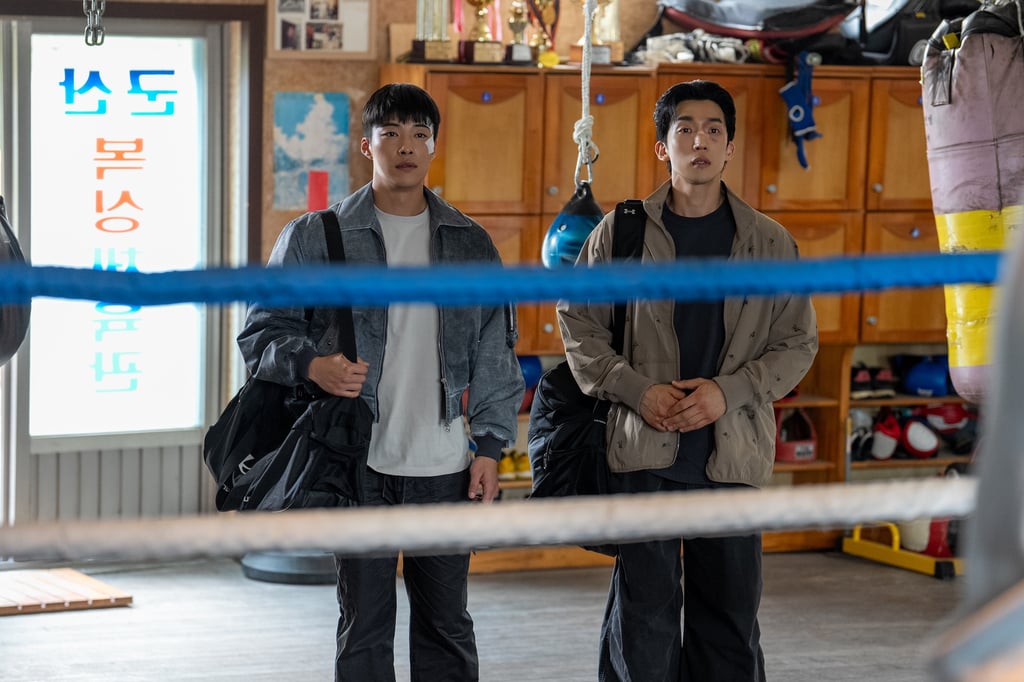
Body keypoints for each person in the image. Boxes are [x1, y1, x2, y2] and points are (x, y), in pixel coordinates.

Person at [237, 83, 525, 682]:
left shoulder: (469, 243)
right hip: (357, 465)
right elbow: (260, 331)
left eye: (419, 134)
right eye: (390, 133)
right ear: (366, 145)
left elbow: (496, 351)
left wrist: (492, 447)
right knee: (364, 629)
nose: (406, 147)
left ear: (435, 145)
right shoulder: (316, 236)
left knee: (447, 628)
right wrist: (312, 365)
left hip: (444, 468)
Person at [556, 79, 819, 681]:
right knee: (642, 622)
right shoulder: (619, 234)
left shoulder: (769, 242)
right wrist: (636, 391)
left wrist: (728, 393)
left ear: (729, 148)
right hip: (641, 452)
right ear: (663, 147)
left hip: (732, 457)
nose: (700, 141)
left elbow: (797, 344)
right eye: (685, 129)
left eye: (713, 130)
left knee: (729, 623)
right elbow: (578, 325)